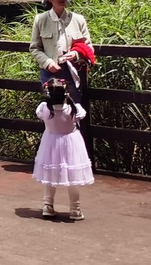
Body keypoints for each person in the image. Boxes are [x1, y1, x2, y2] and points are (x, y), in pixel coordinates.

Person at [33, 79, 93, 220]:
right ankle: (75, 209)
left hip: (51, 143)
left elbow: (40, 115)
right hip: (71, 143)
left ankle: (47, 205)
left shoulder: (44, 108)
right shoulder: (74, 109)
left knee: (50, 174)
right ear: (66, 93)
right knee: (73, 176)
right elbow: (81, 115)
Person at [30, 0, 92, 99]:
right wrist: (48, 63)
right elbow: (34, 48)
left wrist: (75, 54)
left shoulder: (78, 19)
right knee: (52, 110)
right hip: (49, 72)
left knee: (74, 107)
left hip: (73, 71)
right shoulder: (40, 20)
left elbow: (88, 45)